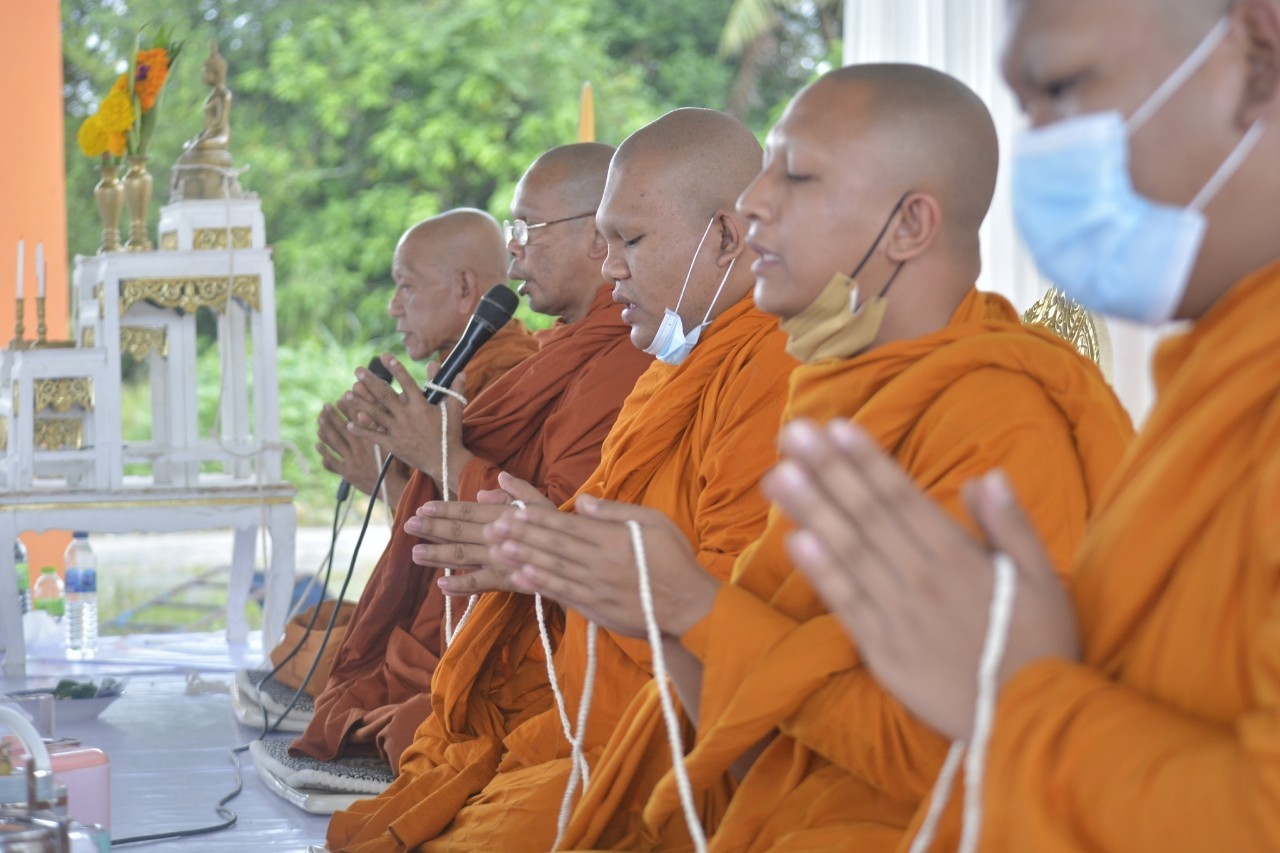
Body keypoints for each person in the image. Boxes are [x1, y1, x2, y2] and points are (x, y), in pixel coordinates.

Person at [485, 63, 1133, 851]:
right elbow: (756, 739)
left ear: (908, 226)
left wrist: (690, 603)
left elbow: (959, 761)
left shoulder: (996, 421)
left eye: (797, 176)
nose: (755, 203)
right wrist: (652, 606)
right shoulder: (836, 394)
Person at [767, 2, 1280, 850]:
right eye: (1026, 108)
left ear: (1259, 47)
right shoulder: (1219, 366)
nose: (1041, 152)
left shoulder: (1003, 409)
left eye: (1065, 86)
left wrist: (1019, 695)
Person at [324, 108, 797, 853]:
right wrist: (532, 544)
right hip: (594, 706)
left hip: (681, 737)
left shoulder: (778, 372)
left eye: (630, 241)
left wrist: (545, 550)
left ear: (728, 235)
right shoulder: (672, 371)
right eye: (607, 242)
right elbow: (598, 530)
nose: (613, 270)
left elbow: (729, 626)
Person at [286, 144, 653, 772]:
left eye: (527, 230)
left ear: (597, 236)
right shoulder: (560, 352)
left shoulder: (624, 356)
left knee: (379, 700)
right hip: (478, 607)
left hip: (537, 636)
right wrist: (397, 468)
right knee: (312, 641)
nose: (513, 254)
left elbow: (563, 527)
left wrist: (434, 455)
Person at [315, 209, 536, 512]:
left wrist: (385, 484)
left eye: (406, 286)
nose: (393, 307)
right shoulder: (458, 373)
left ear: (464, 289)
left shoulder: (509, 379)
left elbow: (490, 527)